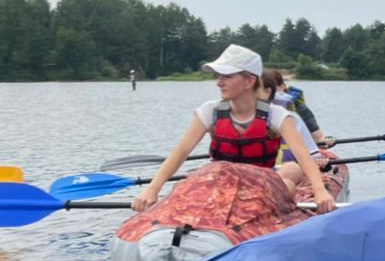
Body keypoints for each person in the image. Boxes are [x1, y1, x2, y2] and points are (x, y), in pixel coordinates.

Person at [131, 45, 336, 214]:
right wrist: (152, 189)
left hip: (259, 188)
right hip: (221, 186)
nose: (219, 83)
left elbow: (302, 155)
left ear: (249, 81)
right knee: (182, 187)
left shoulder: (277, 115)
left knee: (288, 183)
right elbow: (180, 153)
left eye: (227, 76)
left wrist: (320, 191)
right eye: (219, 76)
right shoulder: (209, 111)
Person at [262, 69, 330, 162]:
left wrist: (326, 142)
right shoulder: (251, 110)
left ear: (282, 86)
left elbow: (319, 138)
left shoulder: (298, 109)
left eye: (273, 87)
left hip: (295, 162)